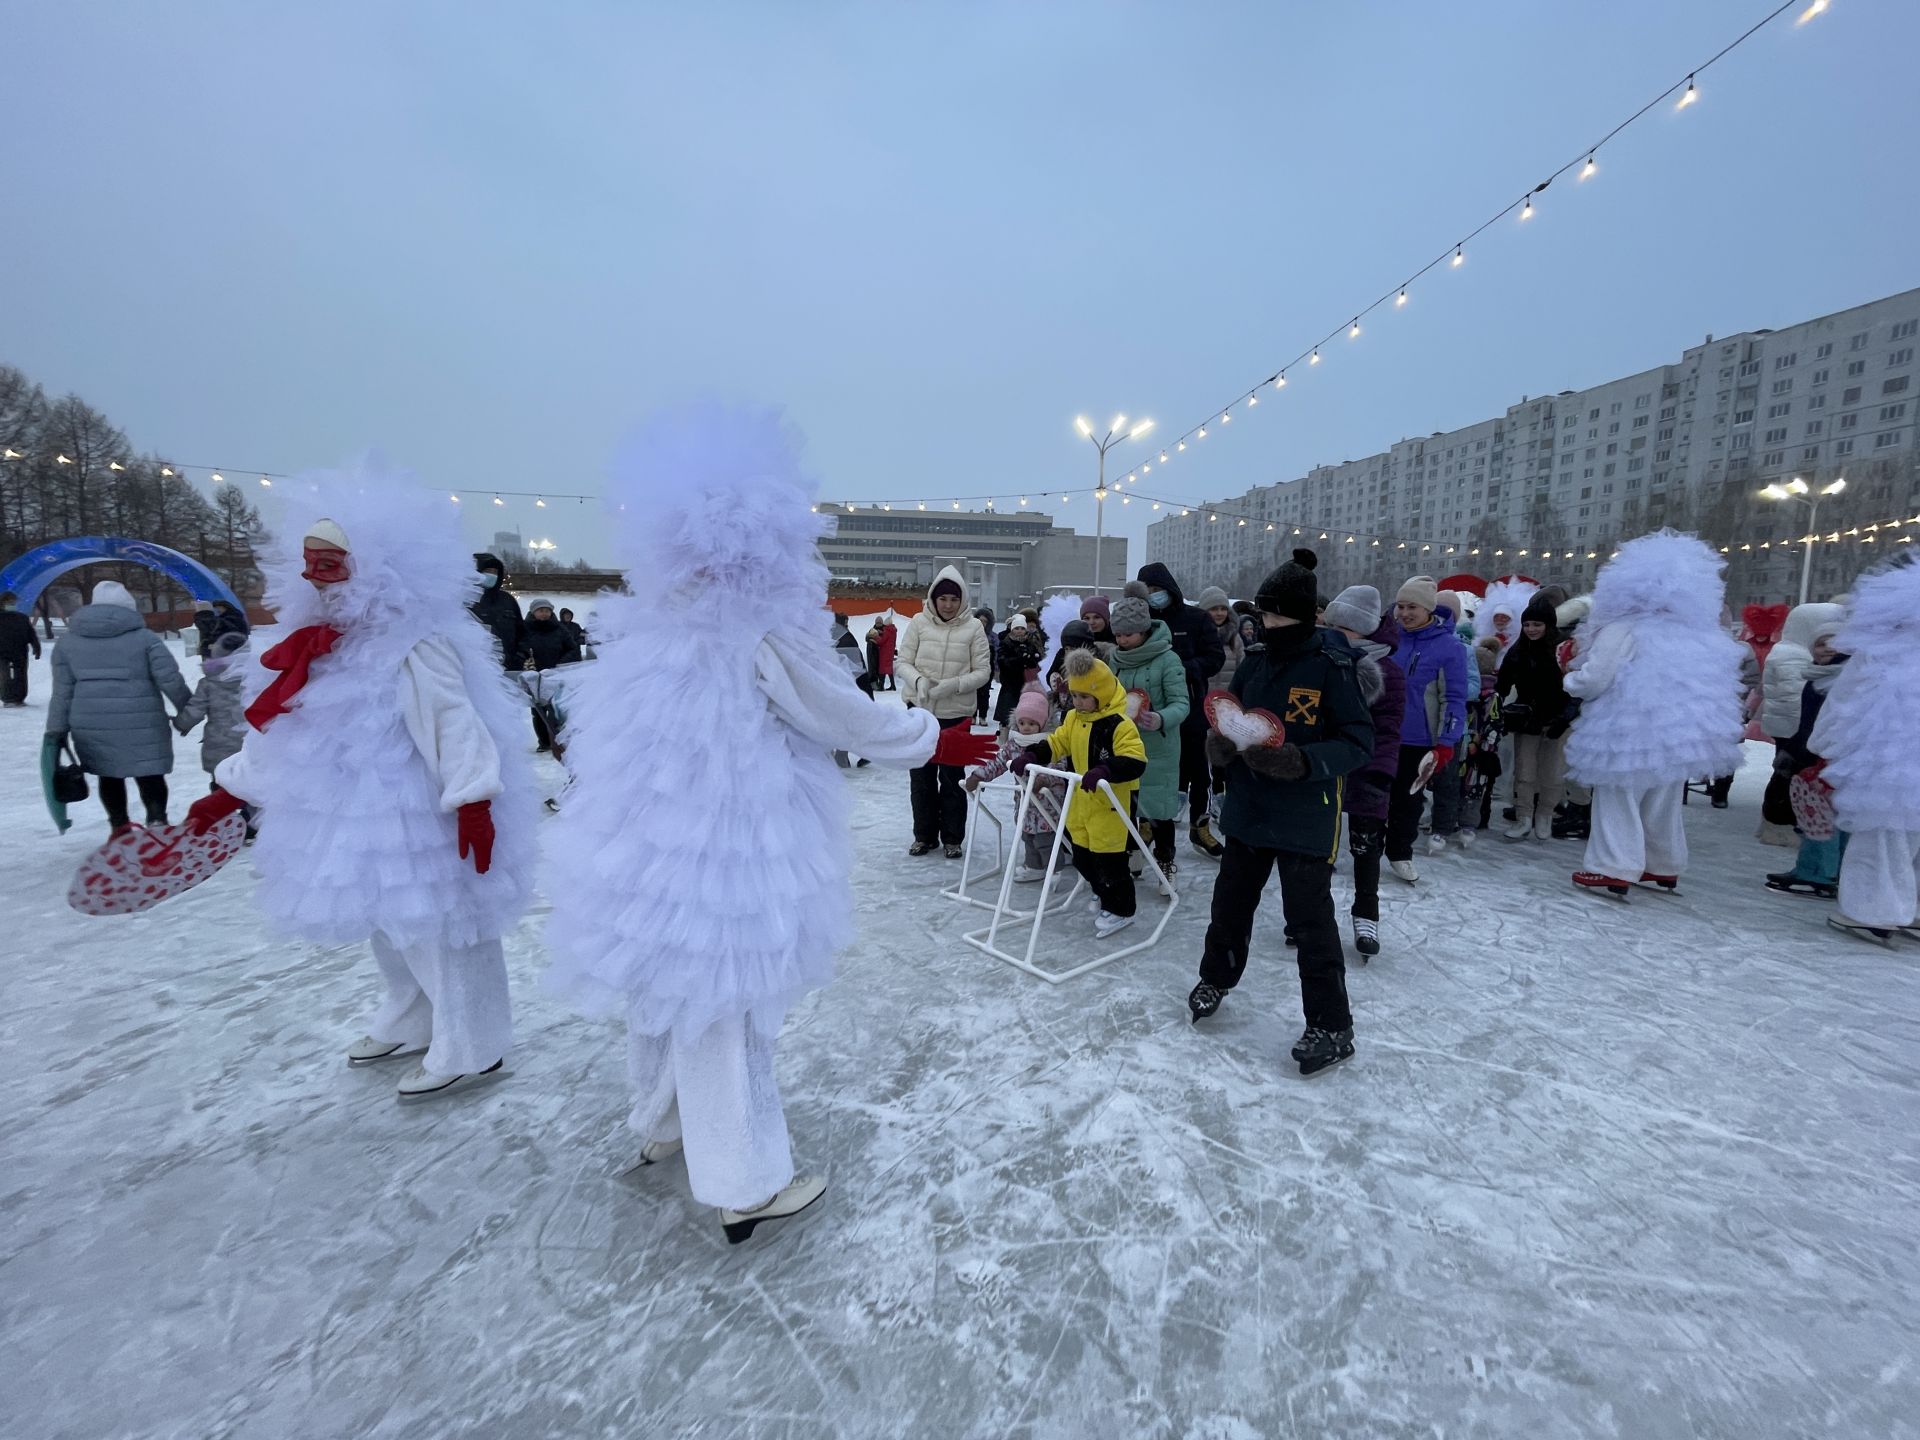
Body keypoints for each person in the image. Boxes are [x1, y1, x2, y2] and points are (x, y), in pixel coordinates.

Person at [544, 406, 940, 1242]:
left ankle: (662, 1123)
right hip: (728, 848)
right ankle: (747, 1179)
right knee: (727, 1009)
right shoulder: (759, 629)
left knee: (663, 994)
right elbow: (843, 716)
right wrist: (929, 733)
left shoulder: (649, 627)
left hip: (642, 853)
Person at [185, 478, 538, 1099]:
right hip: (351, 809)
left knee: (441, 926)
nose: (317, 577)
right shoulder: (320, 644)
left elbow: (454, 721)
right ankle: (412, 1016)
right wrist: (234, 786)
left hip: (419, 810)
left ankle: (473, 1043)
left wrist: (474, 797)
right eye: (311, 564)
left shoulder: (417, 642)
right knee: (387, 924)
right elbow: (291, 726)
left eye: (332, 563)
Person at [1188, 553, 1372, 1076]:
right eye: (1261, 616)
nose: (1262, 625)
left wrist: (1303, 760)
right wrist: (1219, 744)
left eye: (1272, 616)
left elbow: (1358, 741)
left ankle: (1333, 1025)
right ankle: (1216, 977)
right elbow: (1232, 714)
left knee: (1310, 924)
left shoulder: (1333, 668)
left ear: (1300, 617)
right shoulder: (1257, 659)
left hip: (1305, 815)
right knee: (1230, 905)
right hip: (1249, 809)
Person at [1562, 531, 1744, 896]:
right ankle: (1663, 863)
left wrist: (1570, 677)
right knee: (1663, 796)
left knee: (1618, 795)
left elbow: (1596, 677)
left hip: (1625, 727)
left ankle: (1613, 865)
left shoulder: (1623, 628)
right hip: (1677, 732)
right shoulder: (1698, 635)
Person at [1810, 555, 1920, 943]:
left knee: (1881, 834)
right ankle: (1911, 908)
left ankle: (1874, 911)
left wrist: (1819, 746)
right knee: (1913, 837)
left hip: (1889, 761)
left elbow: (1844, 700)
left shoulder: (1880, 651)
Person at [1009, 650, 1147, 938]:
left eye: (1085, 697)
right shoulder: (1073, 718)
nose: (1079, 702)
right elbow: (1058, 743)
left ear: (1102, 693)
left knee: (1110, 861)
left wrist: (1105, 770)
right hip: (1081, 802)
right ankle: (1102, 892)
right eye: (1075, 696)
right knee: (1082, 857)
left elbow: (1135, 760)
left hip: (1110, 804)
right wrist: (1032, 754)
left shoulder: (1119, 724)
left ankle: (1121, 909)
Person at [45, 579, 192, 832]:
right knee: (150, 773)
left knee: (109, 775)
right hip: (142, 721)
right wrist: (188, 711)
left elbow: (62, 692)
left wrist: (55, 730)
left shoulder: (68, 643)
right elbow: (170, 679)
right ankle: (157, 822)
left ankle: (120, 828)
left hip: (91, 723)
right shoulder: (146, 639)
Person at [1323, 585, 1404, 958]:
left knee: (1365, 847)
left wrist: (1379, 774)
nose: (1335, 634)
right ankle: (1313, 914)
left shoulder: (1387, 671)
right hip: (1326, 768)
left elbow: (1388, 730)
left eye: (1345, 629)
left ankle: (1366, 913)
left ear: (1364, 630)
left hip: (1367, 769)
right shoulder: (1322, 660)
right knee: (1319, 845)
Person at [895, 566, 991, 857]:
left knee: (951, 778)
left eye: (953, 598)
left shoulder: (973, 628)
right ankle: (923, 835)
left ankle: (952, 837)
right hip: (920, 712)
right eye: (943, 599)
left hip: (956, 714)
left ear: (961, 600)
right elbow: (902, 663)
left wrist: (952, 686)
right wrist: (919, 681)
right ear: (933, 599)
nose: (948, 605)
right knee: (921, 778)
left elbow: (984, 671)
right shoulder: (918, 624)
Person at [1134, 561, 1226, 858]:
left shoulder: (1196, 619)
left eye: (1157, 589)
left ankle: (1200, 825)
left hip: (1190, 707)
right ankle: (1147, 823)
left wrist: (1180, 669)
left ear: (1169, 589)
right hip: (1150, 711)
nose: (1153, 595)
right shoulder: (1140, 622)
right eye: (1147, 591)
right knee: (1152, 771)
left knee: (1198, 771)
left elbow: (1215, 657)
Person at [1384, 575, 1471, 882]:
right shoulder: (1390, 639)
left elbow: (1454, 697)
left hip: (1418, 739)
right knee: (1375, 793)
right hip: (1383, 733)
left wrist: (1446, 741)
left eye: (1413, 607)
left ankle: (1399, 852)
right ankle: (1365, 848)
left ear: (1429, 610)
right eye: (1401, 606)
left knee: (1408, 801)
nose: (1405, 613)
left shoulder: (1450, 648)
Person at [1107, 590, 1190, 882]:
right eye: (1117, 635)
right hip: (1124, 746)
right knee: (1126, 807)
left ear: (1143, 630)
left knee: (1159, 811)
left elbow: (1182, 703)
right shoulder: (1114, 660)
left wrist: (1160, 718)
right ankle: (1134, 854)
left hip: (1159, 747)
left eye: (1128, 634)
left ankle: (1165, 860)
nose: (1121, 641)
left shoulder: (1168, 660)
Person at [1765, 618, 1846, 897]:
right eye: (1820, 644)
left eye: (1831, 643)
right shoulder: (1818, 675)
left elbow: (1830, 722)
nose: (1825, 649)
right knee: (1822, 813)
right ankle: (1824, 870)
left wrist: (1809, 752)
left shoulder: (1838, 677)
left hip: (1827, 756)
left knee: (1821, 815)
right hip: (1813, 751)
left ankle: (1821, 872)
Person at [964, 685, 1064, 881]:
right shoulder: (1013, 744)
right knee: (1027, 836)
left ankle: (1055, 869)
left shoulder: (1052, 744)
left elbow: (1060, 768)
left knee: (1046, 839)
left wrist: (1045, 779)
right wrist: (979, 776)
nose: (1026, 727)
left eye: (1032, 723)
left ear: (1043, 724)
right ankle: (1035, 867)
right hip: (1024, 802)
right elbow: (998, 762)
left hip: (1048, 802)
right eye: (1022, 723)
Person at [1495, 594, 1569, 841]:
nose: (1531, 629)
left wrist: (1566, 716)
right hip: (1527, 719)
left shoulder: (1563, 649)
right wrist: (1497, 701)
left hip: (1557, 719)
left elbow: (1576, 686)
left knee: (1552, 772)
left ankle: (1545, 815)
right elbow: (1503, 682)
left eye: (1537, 624)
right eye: (1527, 625)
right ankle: (1524, 816)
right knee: (1525, 771)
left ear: (1548, 625)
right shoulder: (1518, 650)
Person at [173, 630, 256, 839]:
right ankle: (251, 822)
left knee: (221, 785)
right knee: (250, 784)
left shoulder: (209, 682)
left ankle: (222, 823)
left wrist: (182, 724)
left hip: (219, 747)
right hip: (250, 746)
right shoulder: (256, 680)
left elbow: (195, 710)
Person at [522, 597, 583, 752]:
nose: (544, 614)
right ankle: (544, 742)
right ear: (533, 612)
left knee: (556, 710)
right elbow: (519, 648)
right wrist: (524, 661)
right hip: (535, 677)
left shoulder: (560, 629)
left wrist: (561, 664)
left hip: (556, 675)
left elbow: (573, 649)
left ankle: (558, 740)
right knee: (538, 711)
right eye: (541, 611)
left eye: (547, 611)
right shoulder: (525, 629)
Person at [470, 552, 528, 672]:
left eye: (495, 572)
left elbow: (522, 632)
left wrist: (521, 655)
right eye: (488, 571)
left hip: (509, 667)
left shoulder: (507, 600)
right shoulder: (467, 600)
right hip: (477, 668)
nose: (492, 575)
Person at [992, 615, 1042, 729]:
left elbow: (1036, 661)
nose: (1019, 631)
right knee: (1006, 718)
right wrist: (1019, 659)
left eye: (1022, 628)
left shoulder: (1030, 643)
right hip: (1009, 685)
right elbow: (1002, 661)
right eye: (1017, 628)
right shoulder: (1006, 642)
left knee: (1024, 716)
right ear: (1012, 629)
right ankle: (1003, 741)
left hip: (1026, 685)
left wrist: (1030, 658)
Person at [0, 590, 40, 705]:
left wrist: (36, 647)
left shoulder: (21, 618)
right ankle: (7, 697)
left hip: (20, 651)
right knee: (4, 675)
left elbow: (30, 633)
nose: (12, 604)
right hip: (2, 652)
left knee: (21, 675)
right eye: (9, 602)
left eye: (13, 602)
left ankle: (19, 697)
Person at [973, 607, 998, 723]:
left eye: (985, 621)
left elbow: (998, 652)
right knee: (972, 692)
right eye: (980, 620)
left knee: (985, 692)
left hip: (988, 667)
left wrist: (997, 668)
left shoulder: (992, 636)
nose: (982, 623)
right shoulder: (971, 634)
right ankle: (972, 716)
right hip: (972, 667)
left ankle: (983, 716)